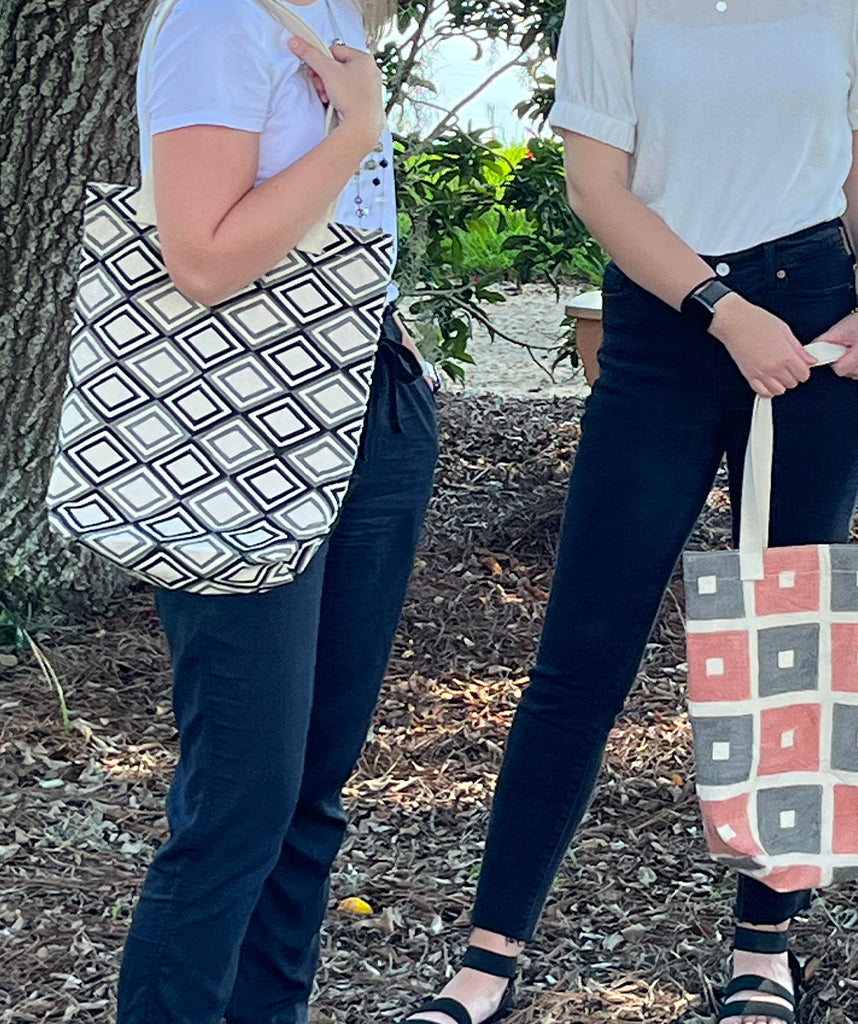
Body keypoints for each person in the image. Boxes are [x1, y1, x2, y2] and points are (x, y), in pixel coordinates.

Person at [400, 2, 858, 1024]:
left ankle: (763, 952)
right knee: (581, 656)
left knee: (792, 649)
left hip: (813, 320)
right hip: (666, 323)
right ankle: (487, 960)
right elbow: (594, 185)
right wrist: (724, 311)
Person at [116, 2, 440, 1023]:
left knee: (307, 794)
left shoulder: (341, 15)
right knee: (243, 798)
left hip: (369, 404)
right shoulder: (218, 19)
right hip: (238, 432)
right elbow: (201, 257)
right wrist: (356, 130)